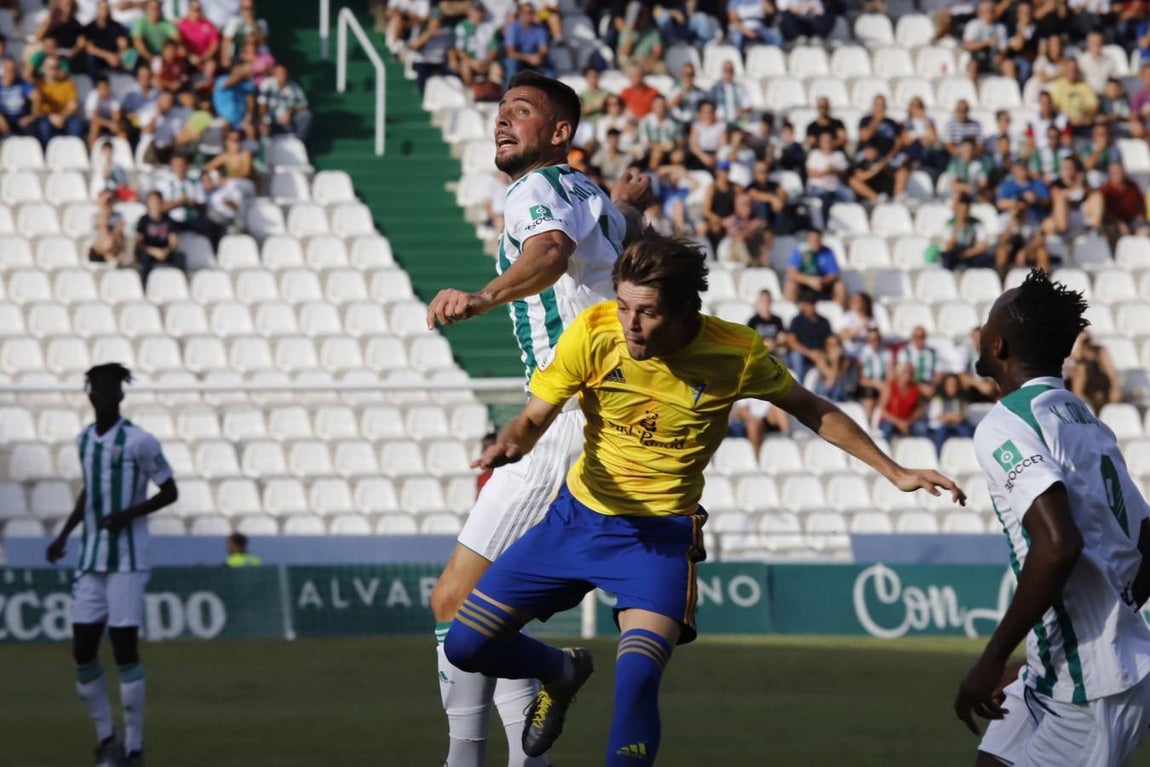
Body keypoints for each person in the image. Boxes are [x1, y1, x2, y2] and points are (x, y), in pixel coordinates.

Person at [445, 231, 963, 764]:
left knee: (637, 681)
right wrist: (513, 442)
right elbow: (534, 418)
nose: (630, 323)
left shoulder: (734, 353)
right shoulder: (595, 333)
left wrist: (894, 470)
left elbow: (811, 408)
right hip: (575, 520)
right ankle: (562, 670)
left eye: (646, 312)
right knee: (465, 646)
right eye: (623, 306)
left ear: (684, 309)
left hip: (658, 540)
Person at [423, 71, 648, 767]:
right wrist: (629, 207)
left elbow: (548, 255)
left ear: (559, 133)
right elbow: (607, 259)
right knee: (489, 611)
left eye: (521, 111)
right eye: (499, 111)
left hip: (567, 423)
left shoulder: (535, 190)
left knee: (455, 603)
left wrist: (483, 295)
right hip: (597, 420)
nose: (502, 121)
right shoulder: (594, 199)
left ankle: (546, 679)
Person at [954, 269, 1150, 766]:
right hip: (1062, 668)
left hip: (1092, 689)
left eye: (986, 322)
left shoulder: (1005, 424)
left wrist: (991, 659)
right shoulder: (1085, 418)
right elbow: (1147, 536)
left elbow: (1058, 544)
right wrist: (1111, 613)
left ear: (997, 345)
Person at [45, 362, 179, 767]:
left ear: (121, 395)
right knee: (83, 650)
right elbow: (90, 490)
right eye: (97, 388)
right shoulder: (84, 440)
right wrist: (65, 534)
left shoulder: (140, 441)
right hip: (91, 560)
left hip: (127, 561)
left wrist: (128, 514)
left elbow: (169, 491)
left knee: (123, 649)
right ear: (90, 395)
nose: (103, 394)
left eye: (111, 388)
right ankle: (107, 738)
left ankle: (134, 746)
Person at [134, 190, 185, 287]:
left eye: (157, 202)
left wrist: (166, 251)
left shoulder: (169, 220)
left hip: (164, 251)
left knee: (180, 257)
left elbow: (173, 241)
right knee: (145, 260)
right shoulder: (143, 221)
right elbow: (139, 243)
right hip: (149, 251)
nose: (155, 204)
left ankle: (180, 286)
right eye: (152, 202)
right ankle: (144, 288)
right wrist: (153, 251)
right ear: (148, 204)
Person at [783, 229, 846, 306]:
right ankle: (790, 311)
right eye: (812, 240)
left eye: (817, 240)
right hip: (804, 284)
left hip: (823, 284)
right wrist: (808, 281)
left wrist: (822, 281)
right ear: (808, 240)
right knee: (790, 285)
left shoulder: (827, 251)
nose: (815, 243)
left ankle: (838, 311)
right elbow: (791, 272)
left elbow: (834, 274)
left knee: (840, 286)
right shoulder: (800, 250)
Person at [785, 289, 833, 385]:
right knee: (796, 355)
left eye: (812, 303)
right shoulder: (797, 321)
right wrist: (810, 353)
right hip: (804, 353)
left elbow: (830, 341)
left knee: (836, 355)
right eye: (807, 303)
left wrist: (823, 352)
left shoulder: (823, 321)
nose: (810, 306)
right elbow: (792, 342)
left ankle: (833, 390)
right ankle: (800, 385)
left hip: (819, 354)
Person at [257, 63, 310, 142]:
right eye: (279, 73)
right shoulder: (268, 84)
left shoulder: (294, 87)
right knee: (263, 125)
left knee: (306, 115)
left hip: (287, 119)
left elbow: (304, 104)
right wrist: (264, 119)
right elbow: (262, 103)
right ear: (274, 74)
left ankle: (298, 142)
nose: (282, 75)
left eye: (284, 73)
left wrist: (290, 111)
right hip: (269, 117)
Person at [878, 362, 930, 442]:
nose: (908, 374)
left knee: (921, 428)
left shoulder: (915, 388)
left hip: (908, 421)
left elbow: (919, 409)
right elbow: (882, 409)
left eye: (910, 372)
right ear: (899, 373)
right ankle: (884, 451)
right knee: (888, 428)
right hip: (891, 421)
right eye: (905, 371)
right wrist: (899, 423)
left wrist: (909, 422)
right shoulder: (890, 386)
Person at [942, 194, 993, 271]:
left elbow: (982, 246)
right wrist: (957, 229)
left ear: (969, 210)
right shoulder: (950, 224)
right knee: (946, 257)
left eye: (965, 211)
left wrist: (966, 254)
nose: (963, 213)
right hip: (956, 253)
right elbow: (948, 247)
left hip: (971, 254)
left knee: (983, 259)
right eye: (961, 211)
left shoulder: (976, 223)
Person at [928, 373, 974, 455]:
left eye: (954, 385)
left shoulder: (961, 399)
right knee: (942, 431)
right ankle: (938, 456)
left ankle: (970, 454)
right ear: (944, 385)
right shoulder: (938, 399)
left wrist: (950, 417)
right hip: (940, 427)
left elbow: (963, 416)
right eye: (949, 385)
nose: (952, 387)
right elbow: (939, 417)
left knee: (966, 429)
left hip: (957, 426)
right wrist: (954, 417)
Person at [896, 325, 943, 398]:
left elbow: (939, 373)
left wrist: (933, 386)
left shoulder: (933, 352)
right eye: (917, 337)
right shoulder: (905, 352)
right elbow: (903, 374)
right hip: (912, 384)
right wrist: (920, 387)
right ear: (912, 338)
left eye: (922, 337)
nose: (920, 340)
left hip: (929, 383)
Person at [748, 289, 785, 353]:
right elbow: (749, 339)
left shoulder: (777, 320)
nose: (766, 303)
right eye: (764, 300)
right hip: (759, 352)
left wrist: (775, 342)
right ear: (759, 302)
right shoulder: (753, 321)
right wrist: (763, 343)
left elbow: (782, 337)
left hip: (775, 350)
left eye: (768, 300)